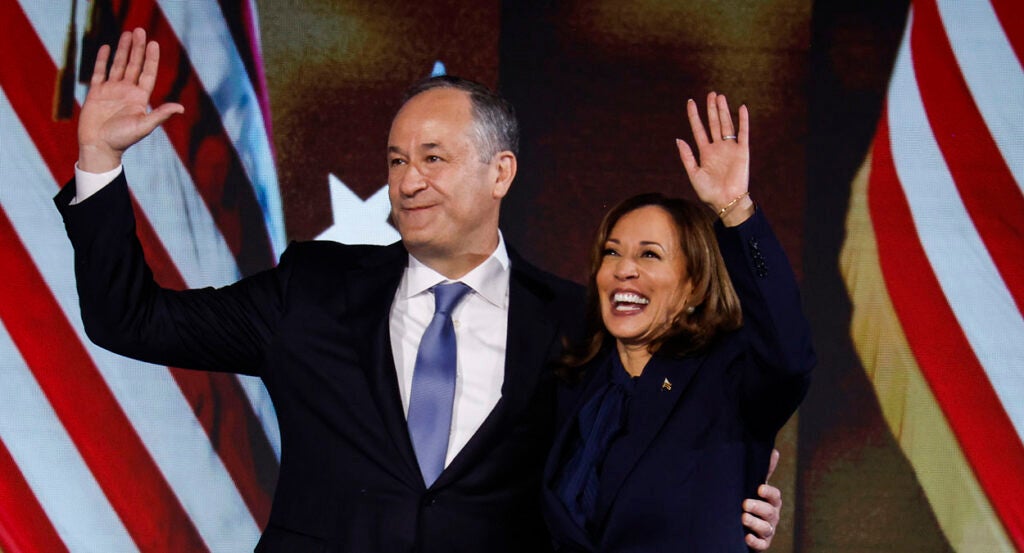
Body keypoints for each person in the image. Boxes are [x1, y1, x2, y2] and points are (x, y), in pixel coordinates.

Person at [56, 28, 783, 552]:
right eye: (397, 158)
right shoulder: (311, 291)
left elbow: (660, 451)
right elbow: (130, 317)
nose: (407, 179)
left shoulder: (577, 323)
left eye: (434, 157)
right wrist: (97, 160)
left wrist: (737, 502)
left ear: (500, 173)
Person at [541, 93, 815, 551]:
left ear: (693, 286)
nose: (624, 269)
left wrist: (736, 209)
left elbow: (789, 352)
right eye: (612, 252)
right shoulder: (574, 385)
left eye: (650, 254)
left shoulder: (726, 382)